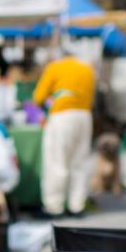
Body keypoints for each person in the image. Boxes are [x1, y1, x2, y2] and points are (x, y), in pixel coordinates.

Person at [33, 49, 97, 216]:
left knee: (57, 161)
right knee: (79, 162)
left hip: (62, 115)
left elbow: (38, 97)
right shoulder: (87, 68)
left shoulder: (55, 67)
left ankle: (54, 206)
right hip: (84, 116)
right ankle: (77, 205)